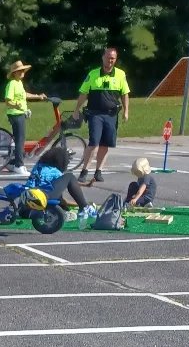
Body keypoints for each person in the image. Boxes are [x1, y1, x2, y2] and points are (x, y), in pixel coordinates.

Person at [73, 47, 130, 183]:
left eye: (113, 58)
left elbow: (125, 94)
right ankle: (84, 171)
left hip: (111, 115)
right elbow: (83, 93)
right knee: (94, 142)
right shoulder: (93, 74)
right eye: (108, 57)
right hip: (95, 114)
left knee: (105, 144)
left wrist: (126, 111)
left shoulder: (120, 74)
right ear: (103, 57)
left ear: (115, 60)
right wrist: (76, 109)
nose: (110, 60)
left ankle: (98, 171)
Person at [28, 144, 96, 219]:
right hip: (41, 203)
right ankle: (85, 208)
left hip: (27, 207)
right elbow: (68, 183)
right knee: (70, 176)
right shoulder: (55, 172)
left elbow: (62, 184)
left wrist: (85, 185)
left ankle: (83, 206)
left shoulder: (38, 168)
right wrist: (83, 203)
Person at [3, 60, 46, 176]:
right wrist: (16, 105)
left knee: (20, 138)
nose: (22, 72)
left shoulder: (19, 83)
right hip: (15, 113)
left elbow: (24, 94)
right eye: (20, 71)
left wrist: (38, 96)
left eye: (23, 70)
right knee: (20, 140)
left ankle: (13, 163)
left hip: (20, 113)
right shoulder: (12, 84)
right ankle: (19, 165)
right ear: (15, 73)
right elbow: (7, 100)